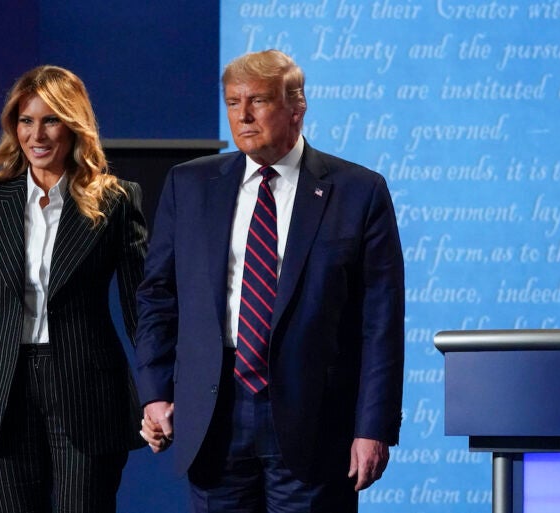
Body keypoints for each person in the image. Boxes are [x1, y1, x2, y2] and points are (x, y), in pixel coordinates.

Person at [136, 49, 404, 512]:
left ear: (297, 108)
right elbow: (158, 296)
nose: (242, 115)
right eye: (233, 102)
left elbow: (380, 323)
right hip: (213, 416)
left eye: (257, 101)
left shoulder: (359, 191)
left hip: (316, 422)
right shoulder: (190, 185)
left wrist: (373, 426)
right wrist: (155, 392)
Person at [0, 65, 147, 513]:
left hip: (89, 392)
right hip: (3, 395)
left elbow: (141, 308)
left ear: (74, 126)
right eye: (25, 121)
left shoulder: (116, 200)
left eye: (51, 119)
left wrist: (160, 393)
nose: (36, 134)